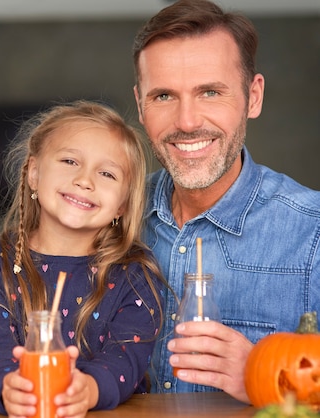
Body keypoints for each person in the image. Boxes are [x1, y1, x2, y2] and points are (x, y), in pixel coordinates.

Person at [132, 0, 320, 403]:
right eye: (164, 96)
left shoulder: (313, 233)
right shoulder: (110, 217)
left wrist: (265, 373)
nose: (186, 122)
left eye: (210, 92)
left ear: (253, 97)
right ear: (140, 105)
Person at [0, 100, 167, 417]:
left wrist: (87, 389)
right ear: (33, 172)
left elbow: (126, 359)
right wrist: (9, 387)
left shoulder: (136, 273)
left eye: (107, 173)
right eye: (70, 161)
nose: (85, 180)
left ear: (122, 206)